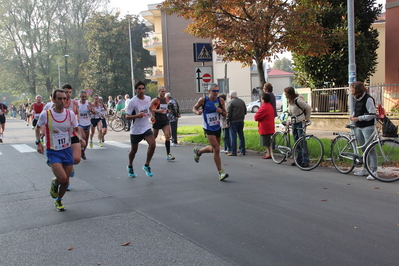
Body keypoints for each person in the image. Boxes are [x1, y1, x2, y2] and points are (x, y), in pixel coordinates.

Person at [35, 88, 82, 211]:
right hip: (53, 151)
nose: (63, 101)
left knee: (66, 182)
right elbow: (37, 127)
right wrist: (38, 142)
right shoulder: (46, 114)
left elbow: (75, 128)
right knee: (61, 178)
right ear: (53, 100)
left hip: (67, 150)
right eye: (59, 98)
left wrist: (80, 138)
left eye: (65, 98)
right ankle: (55, 183)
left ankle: (58, 200)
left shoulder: (70, 114)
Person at [192, 83, 229, 181]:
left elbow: (225, 114)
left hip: (217, 126)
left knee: (214, 149)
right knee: (216, 148)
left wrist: (221, 111)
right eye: (214, 91)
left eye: (217, 91)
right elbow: (194, 108)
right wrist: (198, 112)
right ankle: (220, 172)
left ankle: (199, 151)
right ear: (209, 91)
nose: (216, 93)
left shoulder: (220, 100)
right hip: (208, 127)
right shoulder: (203, 100)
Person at [125, 81, 156, 177]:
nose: (141, 90)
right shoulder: (132, 102)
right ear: (136, 90)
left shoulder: (148, 98)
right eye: (139, 89)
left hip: (146, 127)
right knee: (134, 150)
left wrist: (152, 115)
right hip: (136, 130)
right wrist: (136, 116)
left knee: (153, 144)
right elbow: (127, 116)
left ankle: (147, 165)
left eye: (143, 88)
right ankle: (130, 166)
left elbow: (150, 108)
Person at [349, 81, 377, 180]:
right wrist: (353, 116)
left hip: (367, 127)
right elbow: (356, 111)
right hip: (358, 126)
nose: (350, 90)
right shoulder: (356, 98)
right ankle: (365, 169)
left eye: (352, 88)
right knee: (364, 149)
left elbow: (372, 114)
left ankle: (374, 171)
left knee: (370, 149)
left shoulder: (368, 99)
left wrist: (359, 118)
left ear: (357, 89)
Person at [284, 86, 311, 167]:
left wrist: (307, 119)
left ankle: (305, 160)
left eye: (286, 93)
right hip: (294, 122)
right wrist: (289, 120)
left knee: (302, 141)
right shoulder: (290, 101)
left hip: (300, 122)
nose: (285, 95)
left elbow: (308, 108)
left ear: (289, 94)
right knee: (296, 142)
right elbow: (291, 112)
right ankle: (298, 160)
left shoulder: (298, 100)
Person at [151, 86, 175, 160]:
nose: (163, 93)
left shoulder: (166, 99)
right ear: (158, 92)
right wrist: (154, 113)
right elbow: (149, 107)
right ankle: (150, 147)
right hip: (157, 120)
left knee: (167, 136)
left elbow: (166, 108)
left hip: (165, 119)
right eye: (162, 91)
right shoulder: (155, 100)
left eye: (164, 91)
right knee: (154, 136)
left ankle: (168, 154)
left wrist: (167, 110)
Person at [254, 93, 275, 159]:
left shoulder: (263, 107)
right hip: (270, 125)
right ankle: (268, 152)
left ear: (263, 99)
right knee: (269, 141)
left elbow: (256, 117)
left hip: (265, 126)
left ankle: (269, 153)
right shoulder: (270, 106)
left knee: (267, 142)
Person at [227, 91, 247, 156]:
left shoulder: (231, 102)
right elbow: (245, 111)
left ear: (231, 96)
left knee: (233, 136)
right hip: (241, 120)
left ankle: (233, 151)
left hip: (233, 121)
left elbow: (229, 113)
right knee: (241, 135)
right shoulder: (242, 101)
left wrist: (227, 121)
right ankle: (242, 150)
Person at [77, 90, 92, 160]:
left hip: (87, 123)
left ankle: (83, 152)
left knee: (86, 141)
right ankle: (80, 150)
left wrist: (91, 110)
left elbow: (94, 112)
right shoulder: (77, 104)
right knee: (82, 138)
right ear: (80, 97)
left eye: (85, 96)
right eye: (82, 96)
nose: (84, 98)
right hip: (80, 124)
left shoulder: (88, 103)